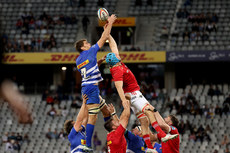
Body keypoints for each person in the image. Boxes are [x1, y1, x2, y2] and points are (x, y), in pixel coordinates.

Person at [105, 34, 178, 151]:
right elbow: (118, 86)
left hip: (132, 95)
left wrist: (108, 34)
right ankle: (163, 135)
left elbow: (114, 47)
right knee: (149, 110)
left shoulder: (117, 64)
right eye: (117, 58)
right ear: (115, 61)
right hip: (133, 94)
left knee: (144, 121)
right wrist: (124, 100)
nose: (118, 58)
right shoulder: (117, 69)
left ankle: (149, 147)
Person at [75, 14, 117, 148]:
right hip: (91, 88)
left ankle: (111, 133)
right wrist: (109, 23)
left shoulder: (78, 60)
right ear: (82, 47)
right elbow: (104, 37)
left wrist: (97, 62)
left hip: (87, 87)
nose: (89, 44)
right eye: (86, 43)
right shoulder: (91, 51)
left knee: (105, 111)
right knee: (93, 117)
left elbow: (87, 69)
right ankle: (87, 145)